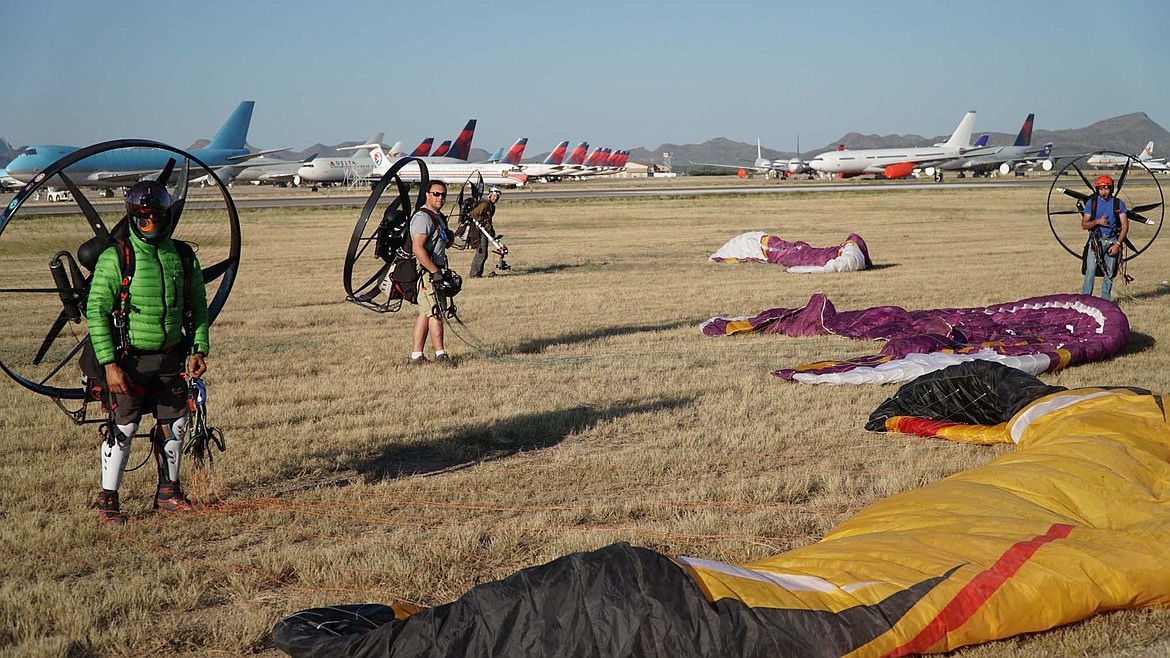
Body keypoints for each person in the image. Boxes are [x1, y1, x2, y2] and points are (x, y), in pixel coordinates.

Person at [88, 180, 210, 525]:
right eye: (143, 218)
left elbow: (198, 306)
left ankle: (168, 493)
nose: (150, 224)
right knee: (122, 428)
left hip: (171, 356)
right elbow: (96, 310)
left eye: (156, 217)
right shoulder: (117, 257)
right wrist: (109, 364)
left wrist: (199, 347)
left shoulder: (183, 256)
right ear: (132, 218)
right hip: (129, 359)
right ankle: (108, 500)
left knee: (177, 423)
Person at [408, 180, 458, 367]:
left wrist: (451, 236)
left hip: (435, 270)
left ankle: (416, 356)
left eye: (443, 194)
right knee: (435, 311)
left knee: (426, 312)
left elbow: (444, 243)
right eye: (436, 194)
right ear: (427, 195)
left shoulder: (438, 217)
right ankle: (440, 355)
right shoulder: (423, 218)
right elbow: (417, 248)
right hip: (427, 272)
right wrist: (435, 272)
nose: (440, 197)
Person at [1080, 175, 1129, 301]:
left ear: (1111, 189)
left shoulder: (1119, 204)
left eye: (1106, 188)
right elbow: (1084, 224)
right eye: (1101, 189)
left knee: (1109, 273)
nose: (1104, 191)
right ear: (1097, 190)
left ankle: (1105, 302)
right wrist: (1097, 222)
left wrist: (1117, 244)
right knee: (1090, 270)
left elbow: (1125, 226)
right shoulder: (1092, 203)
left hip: (1112, 241)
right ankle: (1085, 300)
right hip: (1096, 241)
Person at [467, 187, 507, 278]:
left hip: (485, 230)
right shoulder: (485, 204)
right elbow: (473, 214)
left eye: (497, 197)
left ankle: (477, 273)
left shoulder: (492, 206)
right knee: (482, 252)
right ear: (490, 195)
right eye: (494, 196)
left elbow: (489, 220)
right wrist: (481, 221)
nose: (496, 198)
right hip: (479, 231)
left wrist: (491, 231)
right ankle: (474, 274)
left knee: (483, 253)